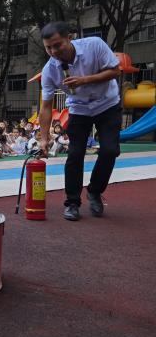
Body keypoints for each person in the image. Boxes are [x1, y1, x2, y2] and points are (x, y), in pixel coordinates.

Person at [39, 21, 122, 221]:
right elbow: (46, 106)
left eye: (57, 45)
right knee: (75, 154)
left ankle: (94, 191)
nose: (53, 51)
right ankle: (72, 202)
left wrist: (84, 80)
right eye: (48, 48)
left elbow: (115, 71)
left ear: (70, 37)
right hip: (79, 109)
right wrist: (44, 138)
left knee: (110, 150)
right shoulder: (50, 70)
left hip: (107, 104)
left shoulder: (94, 45)